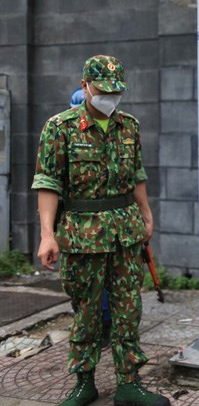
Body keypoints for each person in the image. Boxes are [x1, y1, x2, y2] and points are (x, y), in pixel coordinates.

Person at [33, 55, 170, 406]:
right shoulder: (60, 127)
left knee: (128, 307)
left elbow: (137, 175)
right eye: (102, 90)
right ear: (85, 87)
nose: (110, 97)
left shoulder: (129, 126)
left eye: (116, 91)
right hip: (82, 234)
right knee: (87, 312)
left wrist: (146, 213)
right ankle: (84, 383)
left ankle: (128, 384)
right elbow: (48, 183)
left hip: (125, 231)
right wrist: (47, 235)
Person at [67, 88, 113, 350]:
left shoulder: (117, 130)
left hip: (104, 224)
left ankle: (102, 326)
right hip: (78, 225)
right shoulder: (62, 131)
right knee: (86, 281)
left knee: (99, 281)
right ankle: (93, 327)